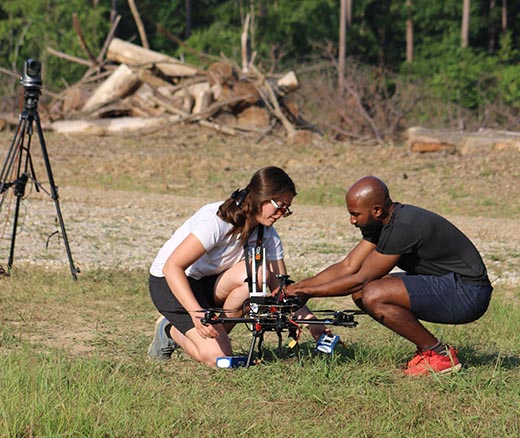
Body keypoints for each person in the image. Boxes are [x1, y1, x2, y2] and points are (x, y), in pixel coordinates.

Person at [286, 176, 493, 376]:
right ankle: (429, 350)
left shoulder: (402, 226)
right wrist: (298, 287)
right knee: (362, 293)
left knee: (373, 293)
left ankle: (438, 354)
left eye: (355, 214)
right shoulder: (381, 223)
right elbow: (348, 266)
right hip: (451, 284)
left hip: (469, 293)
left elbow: (361, 278)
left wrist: (308, 292)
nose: (351, 220)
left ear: (376, 210)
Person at [148, 166, 336, 367]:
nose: (281, 214)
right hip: (171, 282)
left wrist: (312, 324)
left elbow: (281, 289)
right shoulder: (216, 219)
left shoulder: (268, 234)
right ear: (262, 197)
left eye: (286, 209)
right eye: (280, 206)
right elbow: (172, 267)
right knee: (219, 359)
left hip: (206, 283)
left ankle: (206, 333)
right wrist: (196, 314)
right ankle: (170, 330)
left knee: (260, 275)